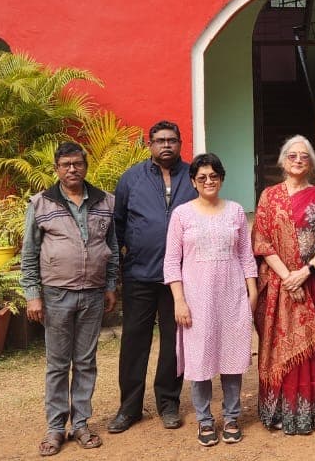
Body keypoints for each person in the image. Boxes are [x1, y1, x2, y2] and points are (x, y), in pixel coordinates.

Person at [19, 142, 120, 456]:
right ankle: (55, 427)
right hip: (56, 294)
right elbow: (29, 254)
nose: (72, 169)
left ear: (85, 165)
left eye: (77, 163)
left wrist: (111, 285)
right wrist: (33, 296)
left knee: (86, 362)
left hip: (92, 294)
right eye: (65, 165)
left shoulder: (106, 201)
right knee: (58, 364)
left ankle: (81, 424)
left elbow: (113, 249)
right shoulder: (41, 203)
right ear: (56, 169)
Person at [251, 135, 315, 435]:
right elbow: (261, 240)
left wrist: (305, 272)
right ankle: (278, 410)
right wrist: (287, 276)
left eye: (303, 156)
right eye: (292, 155)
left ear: (312, 164)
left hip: (310, 284)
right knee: (276, 348)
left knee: (312, 348)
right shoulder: (269, 196)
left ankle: (310, 410)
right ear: (282, 161)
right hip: (277, 287)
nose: (297, 160)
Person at [162, 153, 258, 447]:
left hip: (232, 296)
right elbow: (171, 262)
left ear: (221, 178)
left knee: (232, 358)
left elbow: (245, 254)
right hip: (196, 300)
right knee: (200, 359)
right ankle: (204, 420)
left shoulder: (236, 211)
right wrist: (179, 300)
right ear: (193, 181)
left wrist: (251, 290)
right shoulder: (181, 214)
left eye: (213, 176)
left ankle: (231, 417)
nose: (208, 181)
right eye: (201, 177)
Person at [111, 120, 198, 433]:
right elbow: (117, 224)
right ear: (149, 145)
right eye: (160, 140)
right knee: (135, 341)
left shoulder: (193, 177)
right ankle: (129, 407)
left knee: (174, 343)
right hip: (139, 274)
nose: (166, 146)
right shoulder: (131, 179)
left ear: (180, 143)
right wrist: (122, 266)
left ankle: (168, 402)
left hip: (180, 279)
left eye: (172, 140)